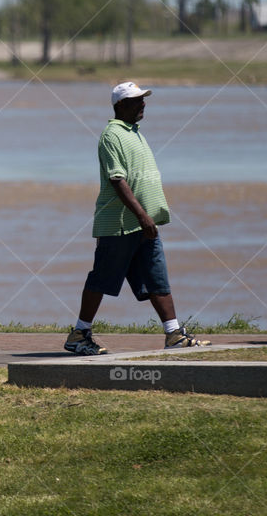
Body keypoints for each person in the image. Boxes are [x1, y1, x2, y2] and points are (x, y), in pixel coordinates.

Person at [64, 81, 210, 355]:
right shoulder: (112, 135)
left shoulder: (135, 133)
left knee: (157, 278)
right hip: (120, 225)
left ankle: (174, 334)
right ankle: (79, 335)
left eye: (143, 99)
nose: (143, 103)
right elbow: (118, 180)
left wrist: (147, 219)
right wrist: (142, 216)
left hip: (144, 224)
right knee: (102, 279)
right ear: (120, 105)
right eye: (136, 100)